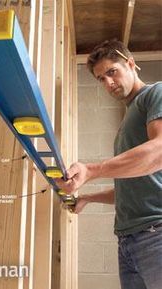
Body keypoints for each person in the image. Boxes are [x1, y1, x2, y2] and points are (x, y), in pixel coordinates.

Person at [55, 39, 162, 289]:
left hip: (156, 234)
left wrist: (92, 170)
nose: (108, 83)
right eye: (101, 78)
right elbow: (133, 188)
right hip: (128, 241)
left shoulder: (155, 93)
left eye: (112, 72)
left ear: (131, 64)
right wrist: (89, 198)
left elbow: (159, 151)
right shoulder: (128, 119)